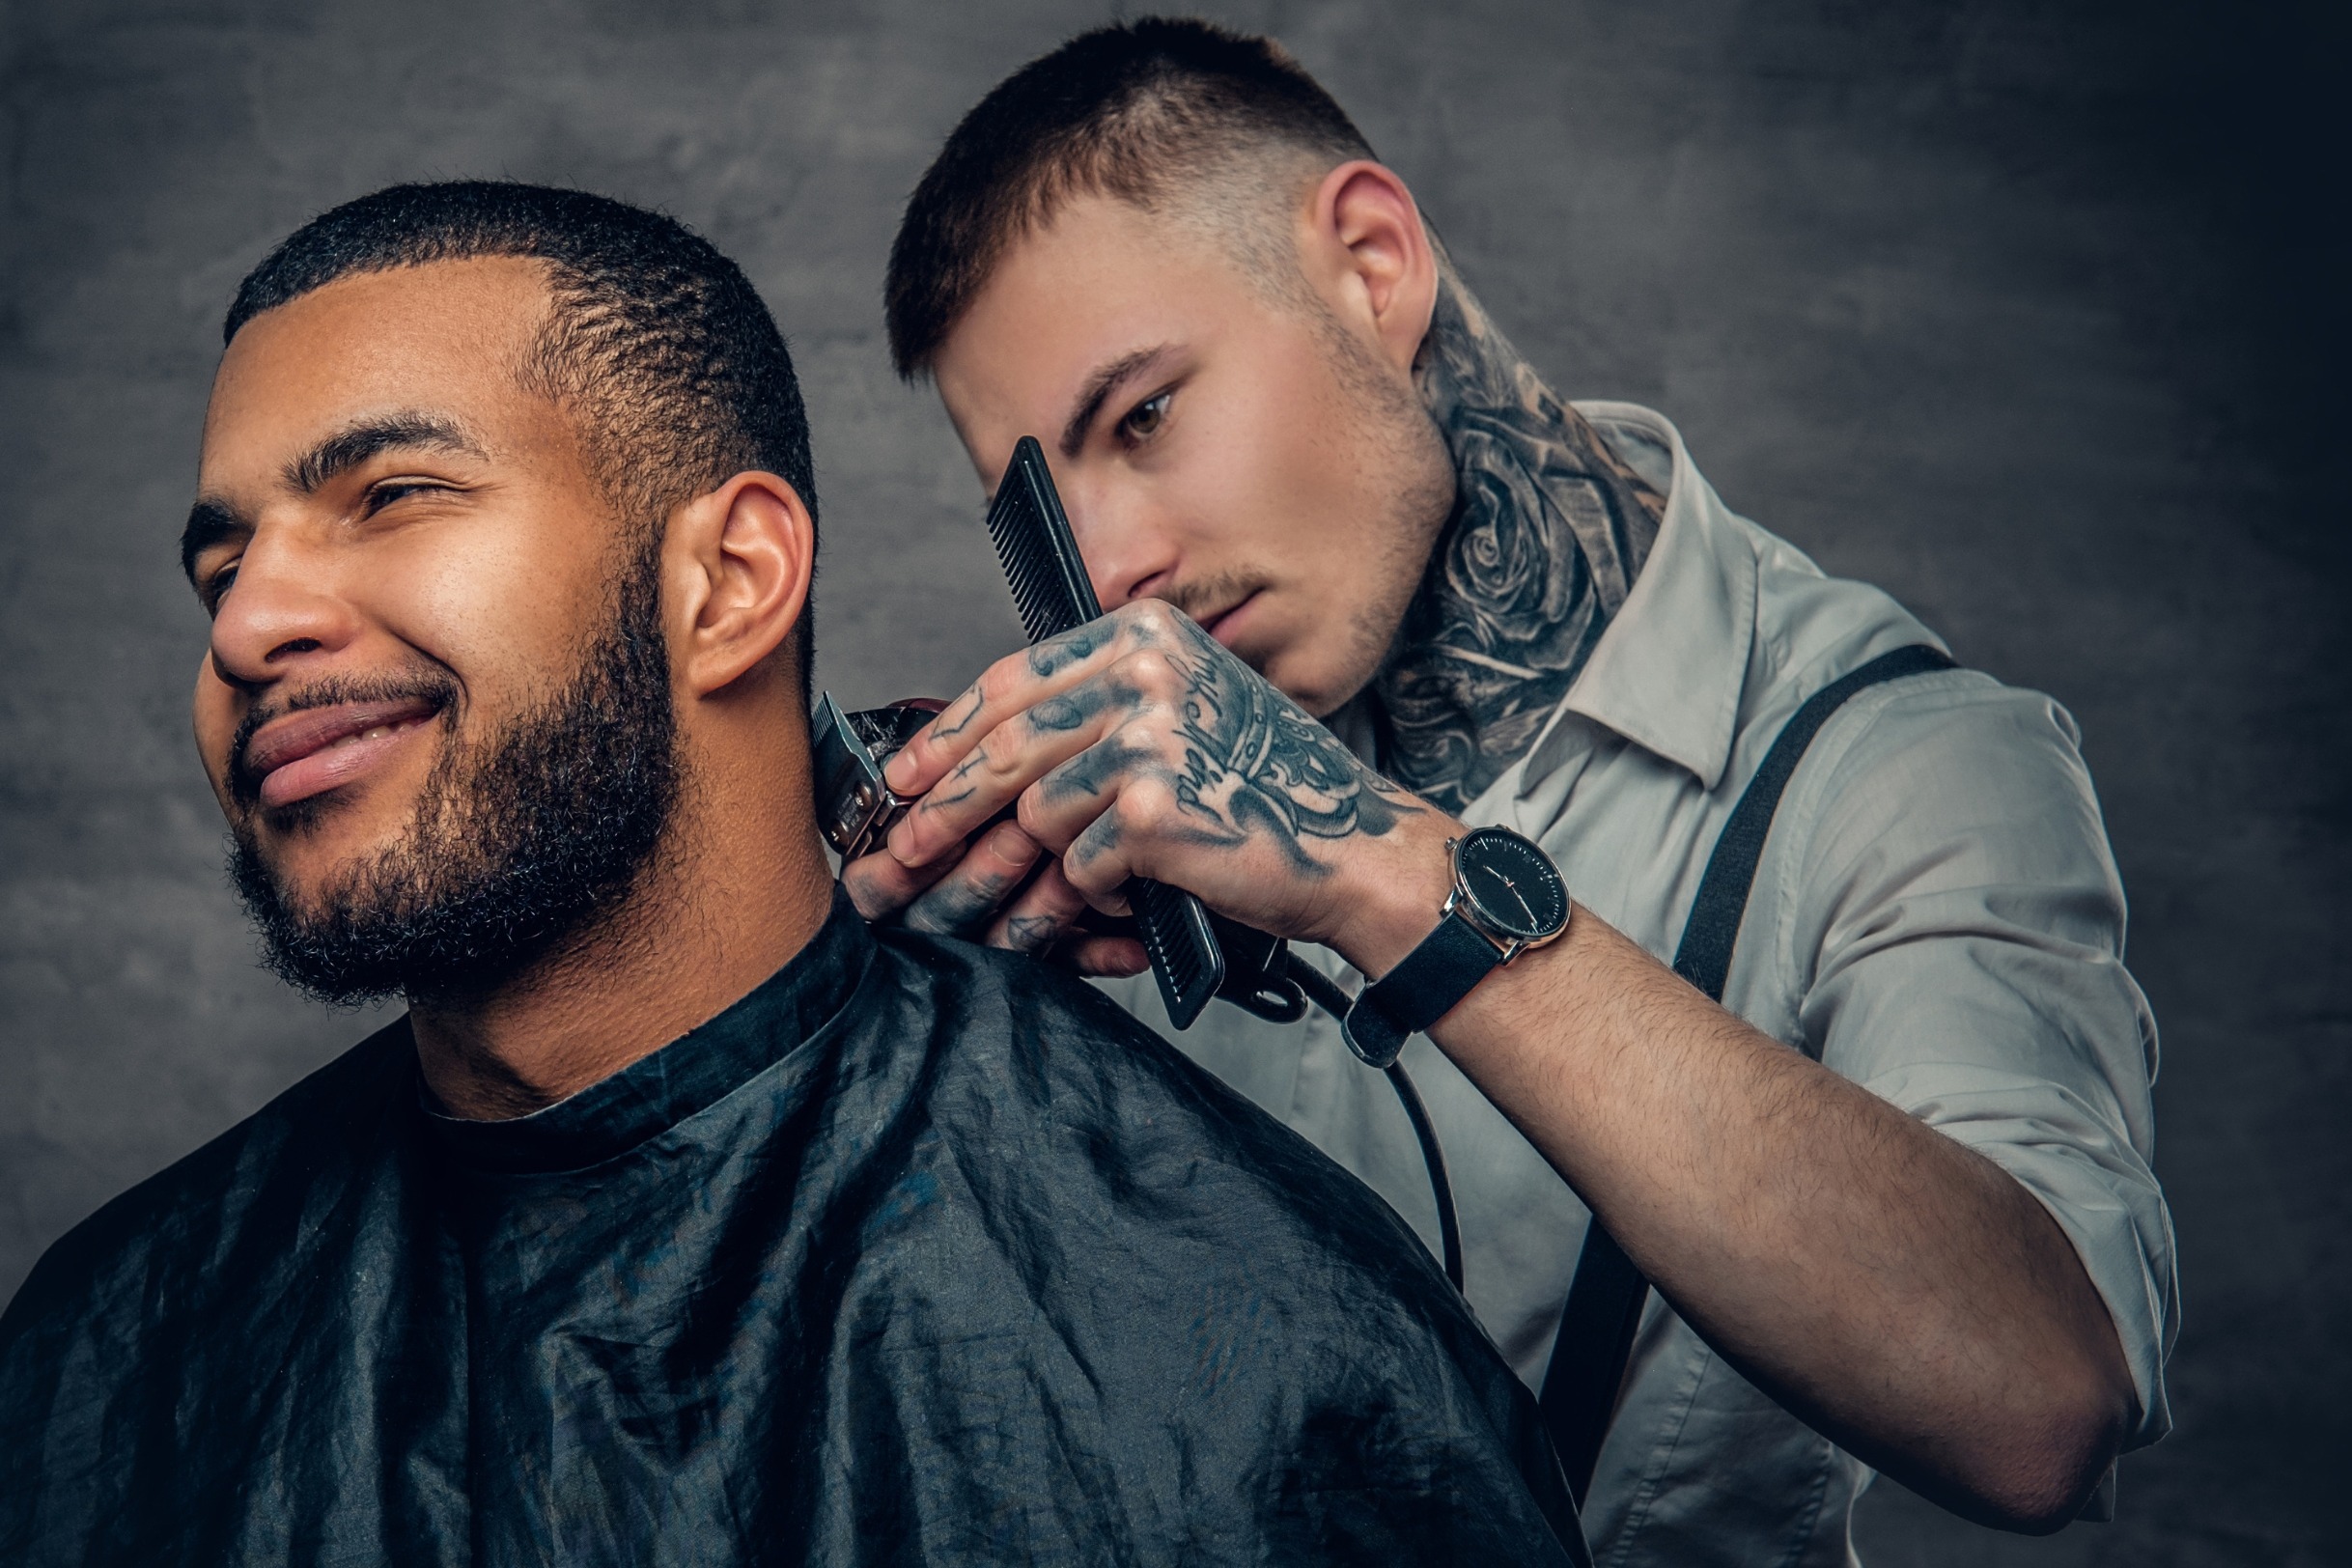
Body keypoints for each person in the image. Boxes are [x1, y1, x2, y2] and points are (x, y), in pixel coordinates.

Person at [0, 182, 1585, 1566]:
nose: (247, 623)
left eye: (392, 497)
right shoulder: (106, 1351)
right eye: (222, 566)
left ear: (732, 583)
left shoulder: (1252, 1340)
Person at [845, 19, 2178, 1563]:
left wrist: (1379, 870)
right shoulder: (1129, 827)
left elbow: (2040, 1404)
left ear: (1370, 261)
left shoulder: (1905, 761)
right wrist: (922, 1020)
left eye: (1142, 416)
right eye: (1048, 512)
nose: (1114, 567)